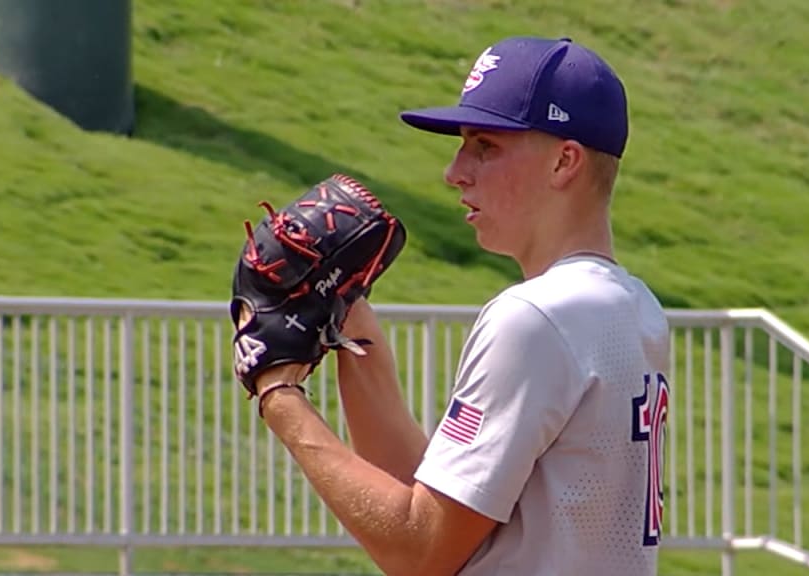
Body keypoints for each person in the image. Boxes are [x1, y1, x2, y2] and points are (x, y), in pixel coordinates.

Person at [244, 36, 671, 575]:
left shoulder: (538, 317)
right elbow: (445, 509)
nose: (455, 171)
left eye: (485, 146)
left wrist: (278, 396)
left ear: (565, 162)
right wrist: (348, 319)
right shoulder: (634, 308)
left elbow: (420, 552)